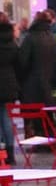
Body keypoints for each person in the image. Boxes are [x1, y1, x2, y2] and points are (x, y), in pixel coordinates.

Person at [0, 14, 19, 161]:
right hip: (10, 85)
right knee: (7, 118)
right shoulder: (13, 45)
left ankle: (1, 152)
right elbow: (20, 65)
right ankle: (11, 153)